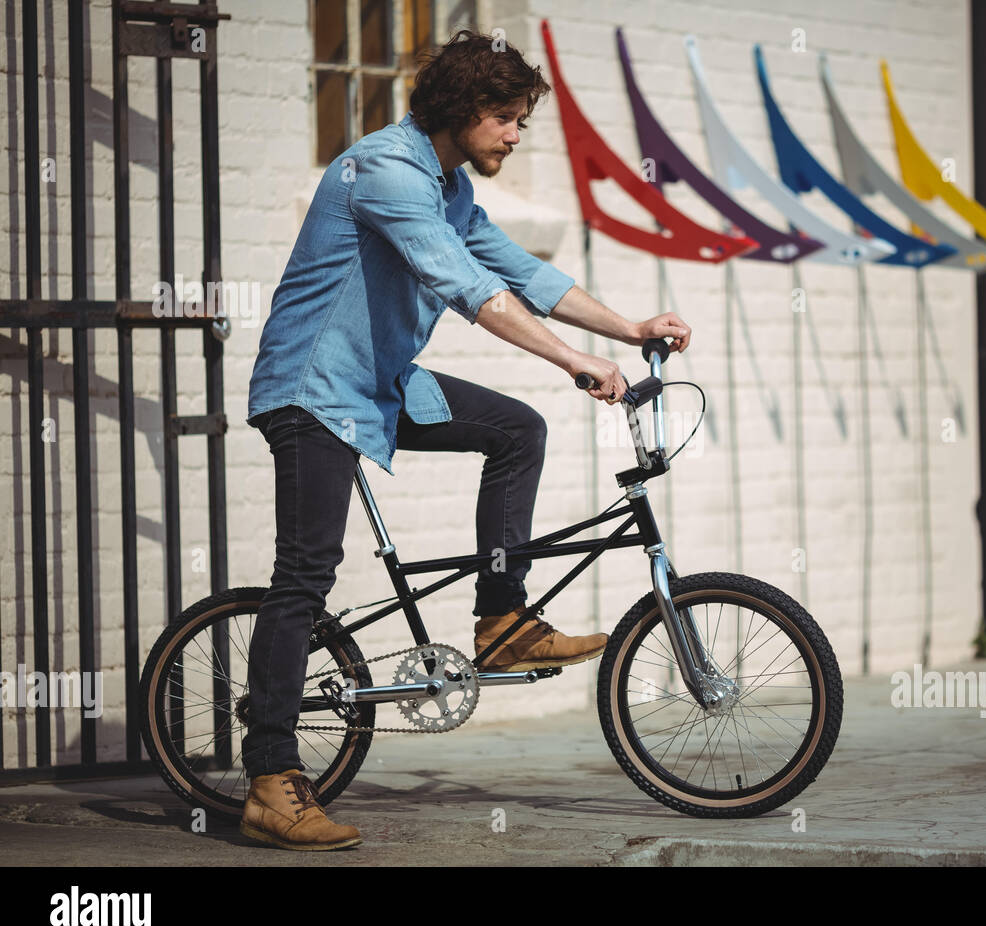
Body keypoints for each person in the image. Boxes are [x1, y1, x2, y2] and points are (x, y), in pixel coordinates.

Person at [237, 29, 691, 851]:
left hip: (381, 384)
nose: (517, 134)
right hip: (313, 390)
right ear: (465, 109)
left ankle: (501, 620)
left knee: (517, 429)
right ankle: (270, 775)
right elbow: (470, 289)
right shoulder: (385, 171)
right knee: (306, 570)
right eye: (509, 118)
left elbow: (524, 272)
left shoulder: (447, 188)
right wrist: (572, 362)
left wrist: (627, 329)